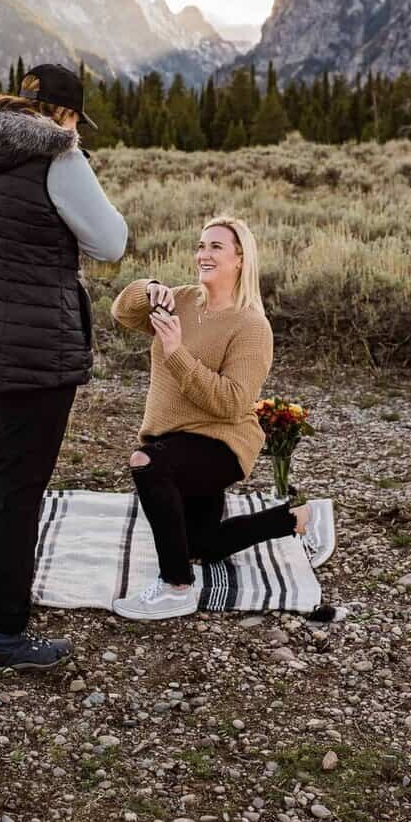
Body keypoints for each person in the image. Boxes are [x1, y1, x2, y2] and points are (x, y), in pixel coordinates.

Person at [0, 63, 127, 675]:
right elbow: (111, 242)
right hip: (32, 350)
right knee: (19, 491)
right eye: (75, 120)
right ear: (63, 115)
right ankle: (6, 635)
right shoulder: (60, 157)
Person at [110, 216, 317, 620]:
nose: (203, 254)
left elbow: (232, 402)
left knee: (146, 464)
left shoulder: (251, 326)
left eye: (216, 247)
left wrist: (176, 351)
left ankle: (176, 586)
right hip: (173, 439)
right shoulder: (181, 301)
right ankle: (294, 518)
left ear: (240, 259)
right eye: (201, 246)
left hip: (221, 445)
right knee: (198, 544)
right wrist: (148, 288)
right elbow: (123, 313)